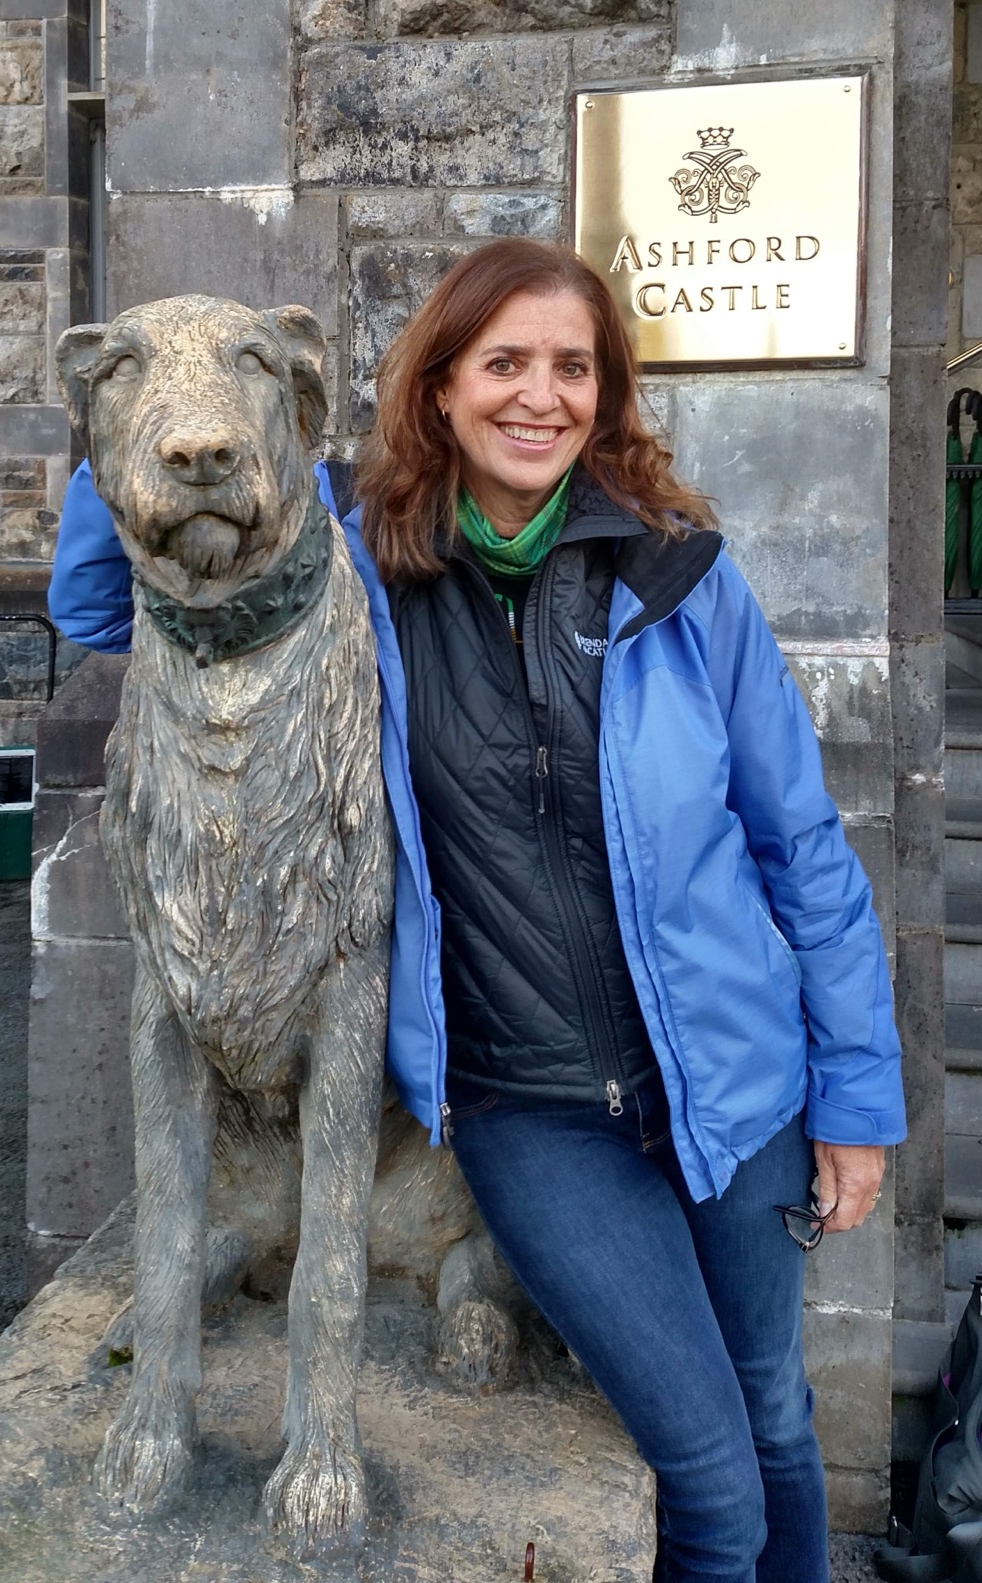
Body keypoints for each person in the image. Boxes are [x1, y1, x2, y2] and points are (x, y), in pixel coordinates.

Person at [49, 238, 906, 1583]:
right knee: (710, 1483)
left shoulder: (684, 583)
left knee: (779, 1427)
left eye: (573, 367)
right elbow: (107, 602)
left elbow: (802, 848)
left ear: (605, 394)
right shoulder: (370, 581)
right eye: (503, 363)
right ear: (440, 390)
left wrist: (855, 1099)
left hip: (737, 1087)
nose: (539, 396)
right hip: (535, 1111)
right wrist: (150, 420)